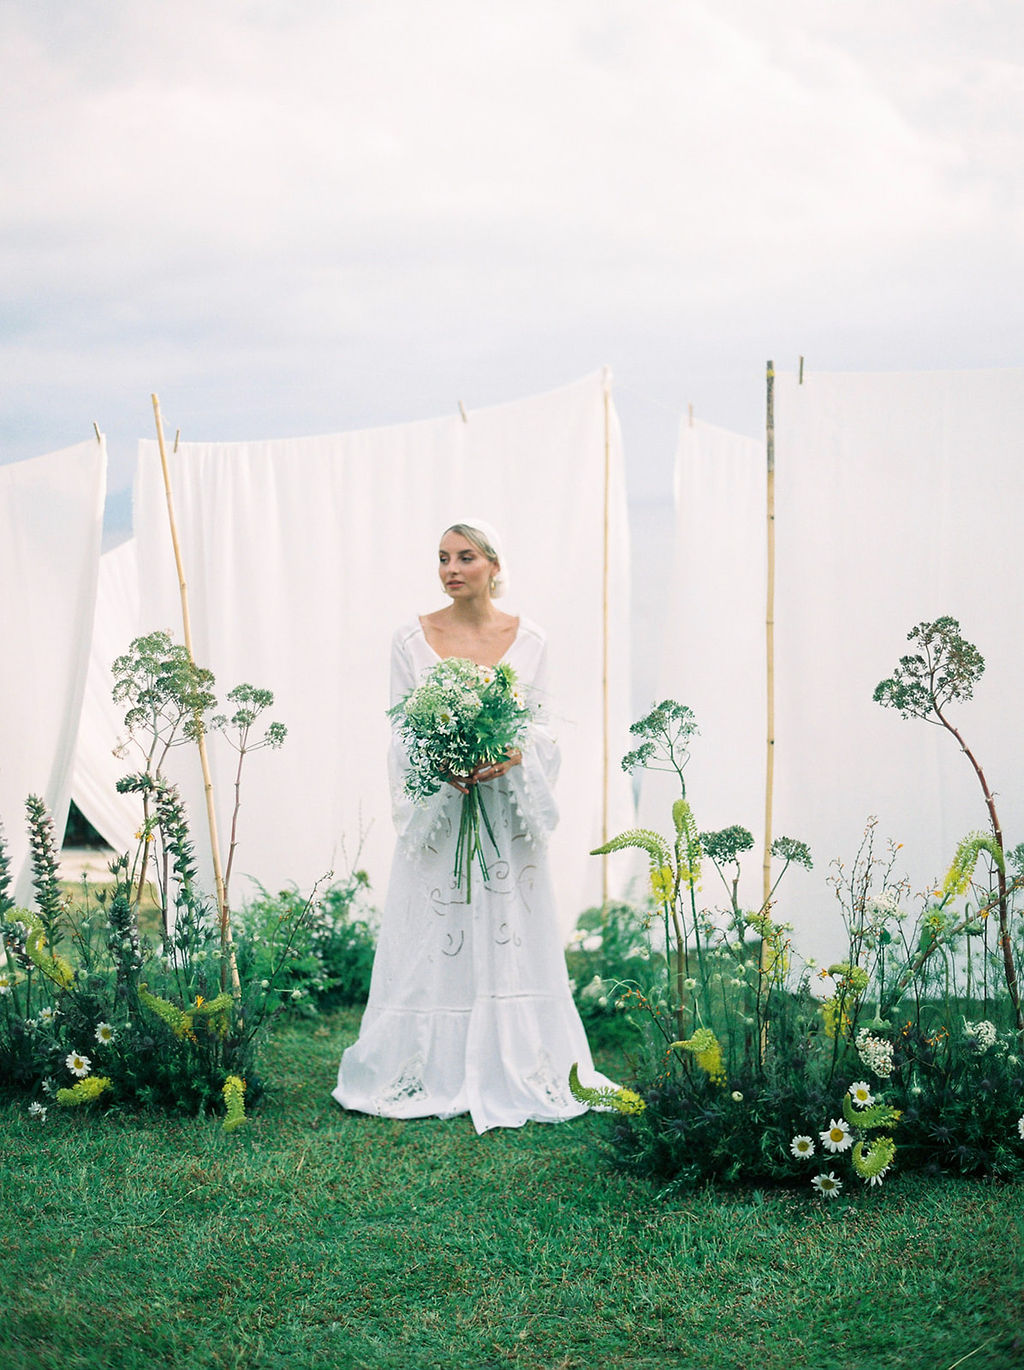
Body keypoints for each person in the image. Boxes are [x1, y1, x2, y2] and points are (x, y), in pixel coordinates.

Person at [333, 518, 616, 1133]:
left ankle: (516, 1055)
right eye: (442, 558)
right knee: (437, 923)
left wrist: (513, 754)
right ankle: (426, 1060)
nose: (451, 569)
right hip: (444, 806)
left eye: (464, 557)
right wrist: (442, 764)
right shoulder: (411, 639)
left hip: (503, 809)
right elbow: (403, 731)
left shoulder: (531, 638)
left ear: (492, 564)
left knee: (508, 921)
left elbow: (542, 727)